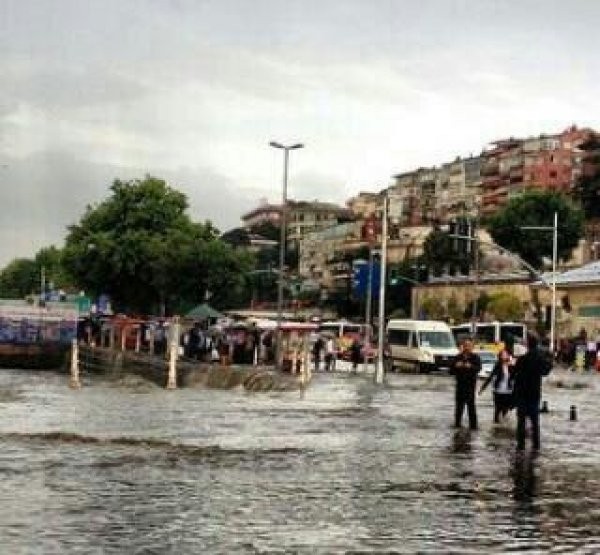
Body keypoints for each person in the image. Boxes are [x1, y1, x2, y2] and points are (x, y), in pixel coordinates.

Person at [512, 333, 552, 451]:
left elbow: (514, 374)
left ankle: (520, 444)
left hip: (522, 394)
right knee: (535, 422)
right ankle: (536, 445)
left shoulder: (522, 359)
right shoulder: (540, 359)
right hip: (534, 394)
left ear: (528, 345)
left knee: (521, 421)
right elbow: (546, 371)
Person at [450, 338, 481, 430]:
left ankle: (473, 427)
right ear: (463, 346)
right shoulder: (458, 357)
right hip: (460, 386)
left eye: (469, 345)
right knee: (459, 408)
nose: (467, 347)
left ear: (472, 347)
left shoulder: (475, 357)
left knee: (471, 408)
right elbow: (451, 371)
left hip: (470, 387)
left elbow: (478, 368)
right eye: (465, 345)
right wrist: (456, 366)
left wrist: (470, 366)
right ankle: (457, 425)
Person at [479, 349, 515, 423]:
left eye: (505, 354)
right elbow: (490, 377)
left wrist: (512, 365)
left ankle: (504, 427)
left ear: (508, 356)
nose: (504, 356)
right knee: (497, 409)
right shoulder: (497, 366)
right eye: (502, 355)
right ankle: (496, 426)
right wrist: (482, 388)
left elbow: (516, 376)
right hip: (498, 391)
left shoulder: (511, 366)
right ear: (500, 357)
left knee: (505, 410)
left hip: (508, 391)